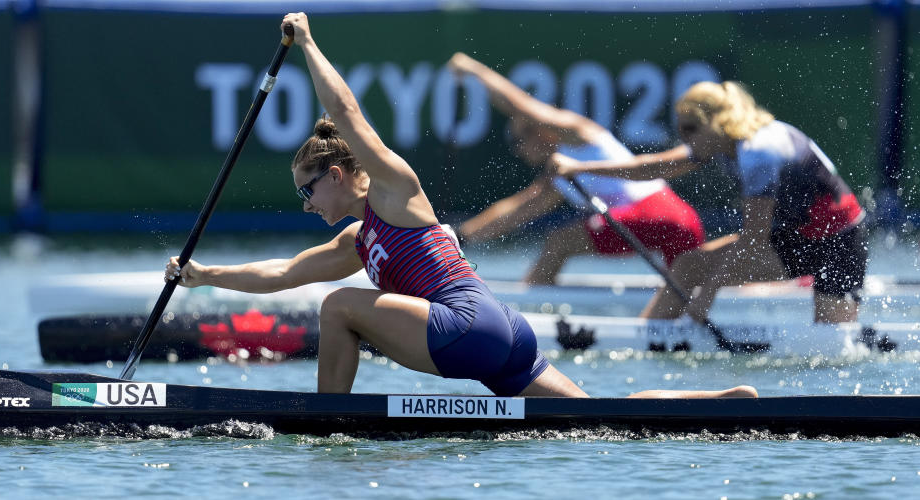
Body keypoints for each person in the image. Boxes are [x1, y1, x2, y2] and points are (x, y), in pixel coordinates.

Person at [165, 13, 757, 400]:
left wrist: (310, 44)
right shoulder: (356, 241)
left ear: (339, 175)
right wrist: (202, 275)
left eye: (307, 190)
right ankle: (707, 403)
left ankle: (329, 420)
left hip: (466, 325)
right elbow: (284, 273)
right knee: (594, 415)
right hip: (505, 336)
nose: (305, 204)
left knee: (341, 305)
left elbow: (347, 114)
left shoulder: (396, 190)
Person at [548, 81, 866, 324]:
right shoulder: (726, 140)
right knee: (687, 265)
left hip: (839, 244)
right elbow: (653, 166)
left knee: (833, 349)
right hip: (794, 237)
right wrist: (579, 167)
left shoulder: (758, 151)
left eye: (688, 129)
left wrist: (706, 297)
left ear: (714, 123)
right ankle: (647, 335)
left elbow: (754, 239)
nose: (683, 138)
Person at [446, 53, 705, 284]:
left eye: (518, 141)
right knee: (685, 303)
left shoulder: (576, 133)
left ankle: (528, 317)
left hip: (656, 212)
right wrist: (459, 237)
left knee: (558, 243)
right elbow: (516, 211)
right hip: (681, 221)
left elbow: (519, 106)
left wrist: (473, 70)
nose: (517, 150)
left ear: (540, 131)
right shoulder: (558, 177)